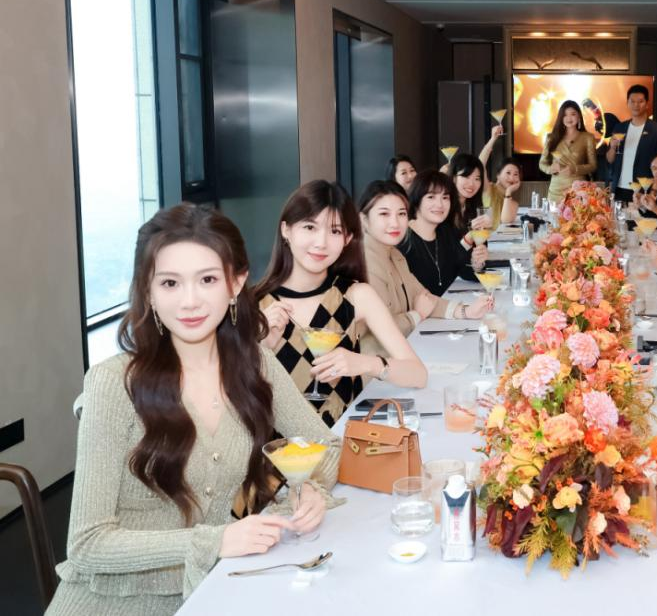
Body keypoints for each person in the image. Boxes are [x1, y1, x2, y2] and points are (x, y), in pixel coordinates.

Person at [48, 204, 340, 615]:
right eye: (169, 283)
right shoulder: (114, 383)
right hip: (109, 606)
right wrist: (216, 540)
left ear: (236, 283)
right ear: (147, 290)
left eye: (207, 280)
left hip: (210, 594)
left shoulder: (254, 364)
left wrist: (305, 488)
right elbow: (86, 543)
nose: (189, 301)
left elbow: (327, 446)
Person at [254, 181, 428, 427]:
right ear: (286, 230)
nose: (321, 242)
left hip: (343, 442)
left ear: (347, 238)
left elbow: (418, 374)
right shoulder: (254, 304)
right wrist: (262, 349)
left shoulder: (356, 296)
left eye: (335, 231)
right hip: (278, 447)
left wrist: (365, 363)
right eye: (309, 227)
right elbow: (232, 398)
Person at [358, 181, 492, 340]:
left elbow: (424, 297)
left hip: (408, 343)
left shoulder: (395, 255)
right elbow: (381, 329)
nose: (395, 223)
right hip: (382, 353)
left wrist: (467, 311)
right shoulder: (364, 262)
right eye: (384, 214)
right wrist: (418, 314)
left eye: (401, 214)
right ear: (364, 219)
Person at [399, 171, 487, 296]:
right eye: (431, 197)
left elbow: (466, 273)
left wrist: (477, 263)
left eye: (445, 198)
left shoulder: (446, 232)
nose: (440, 204)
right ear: (417, 200)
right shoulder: (402, 240)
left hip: (447, 306)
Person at [606, 85, 657, 202]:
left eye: (640, 101)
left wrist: (654, 190)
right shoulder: (619, 127)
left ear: (647, 104)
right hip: (619, 188)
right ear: (627, 103)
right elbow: (610, 159)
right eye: (632, 101)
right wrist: (613, 148)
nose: (636, 105)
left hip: (643, 191)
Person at [539, 100, 598, 204]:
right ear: (561, 118)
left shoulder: (588, 138)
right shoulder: (551, 138)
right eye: (565, 115)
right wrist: (550, 169)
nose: (569, 118)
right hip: (556, 190)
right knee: (554, 214)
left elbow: (593, 166)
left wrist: (575, 169)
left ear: (579, 116)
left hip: (578, 191)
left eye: (573, 114)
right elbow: (542, 163)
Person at [482, 158, 522, 229]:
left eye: (516, 174)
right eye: (508, 173)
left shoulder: (513, 203)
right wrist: (488, 150)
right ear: (498, 175)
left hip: (498, 236)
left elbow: (506, 221)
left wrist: (508, 191)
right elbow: (480, 166)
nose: (512, 178)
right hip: (483, 234)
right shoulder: (488, 188)